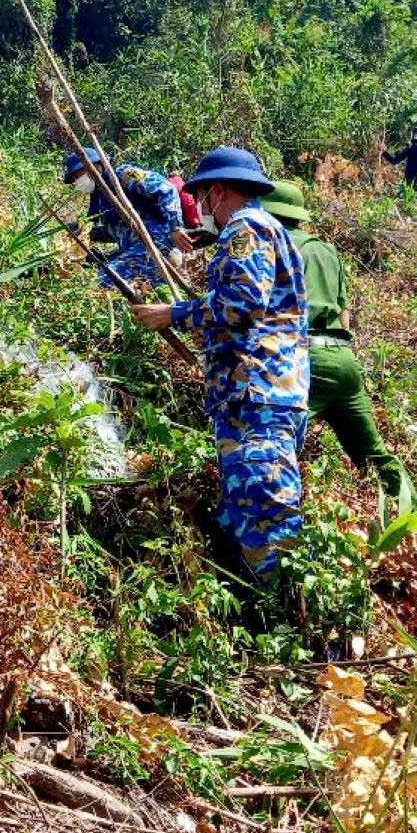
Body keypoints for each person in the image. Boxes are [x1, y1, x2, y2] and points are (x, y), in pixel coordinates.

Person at [132, 147, 310, 579]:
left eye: (203, 199)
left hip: (258, 392)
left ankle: (284, 614)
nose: (201, 209)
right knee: (244, 512)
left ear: (217, 191)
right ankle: (262, 613)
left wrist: (173, 313)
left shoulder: (246, 227)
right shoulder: (265, 229)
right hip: (256, 392)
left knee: (266, 511)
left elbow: (243, 304)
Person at [263, 181, 416, 517]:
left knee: (268, 450)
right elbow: (344, 312)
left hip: (305, 357)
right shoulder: (326, 250)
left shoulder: (275, 246)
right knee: (374, 454)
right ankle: (415, 519)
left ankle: (278, 538)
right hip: (343, 359)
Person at [62, 147, 184, 288]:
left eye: (79, 174)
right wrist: (88, 234)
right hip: (134, 249)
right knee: (92, 263)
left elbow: (166, 189)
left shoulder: (123, 175)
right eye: (75, 179)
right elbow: (120, 231)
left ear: (95, 165)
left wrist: (176, 226)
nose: (78, 181)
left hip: (157, 246)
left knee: (105, 279)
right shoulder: (99, 197)